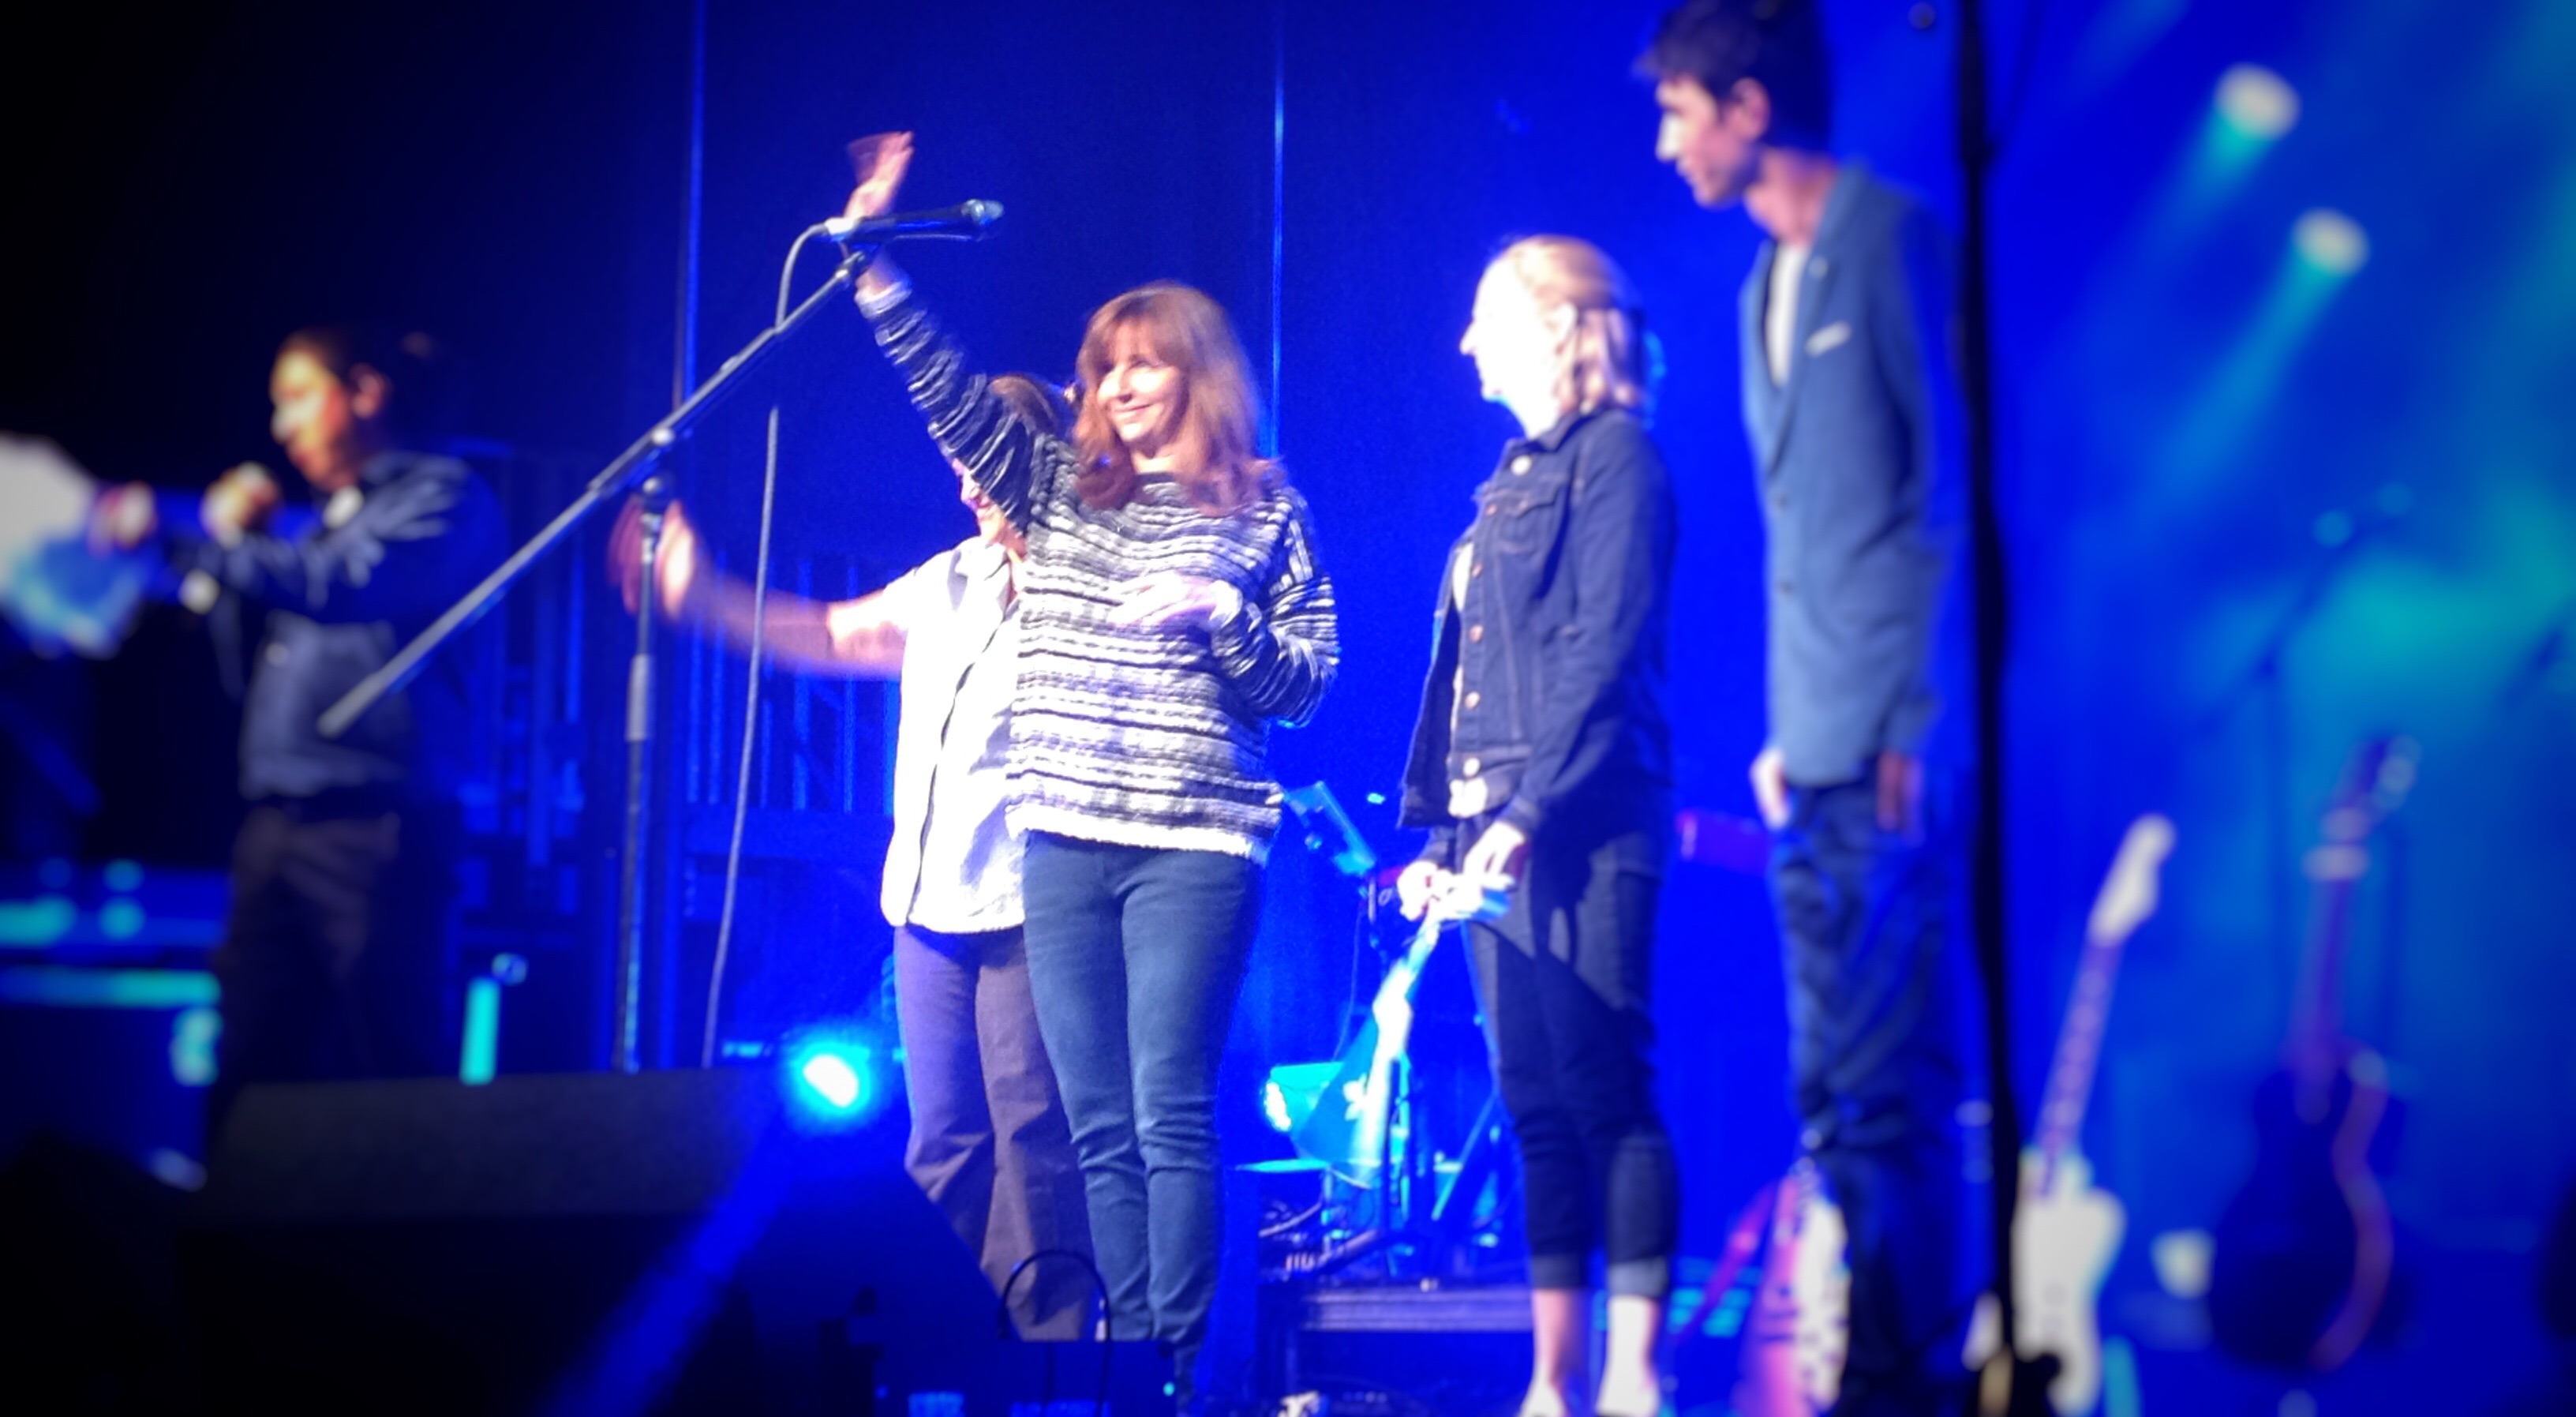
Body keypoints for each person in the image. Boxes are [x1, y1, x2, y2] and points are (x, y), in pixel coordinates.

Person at [841, 135, 1339, 1408]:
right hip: (1060, 844)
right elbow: (947, 391)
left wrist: (1220, 617)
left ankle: (1178, 1370)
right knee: (1095, 1119)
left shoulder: (1263, 506)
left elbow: (1306, 682)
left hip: (1193, 847)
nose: (1115, 384)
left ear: (1196, 374)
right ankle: (1122, 1368)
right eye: (1103, 365)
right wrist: (877, 266)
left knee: (1167, 1105)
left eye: (1142, 362)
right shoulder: (1062, 488)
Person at [1642, 2, 1977, 1411]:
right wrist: (1790, 729)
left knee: (1892, 1090)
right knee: (1829, 1095)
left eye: (1678, 112)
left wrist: (1919, 717)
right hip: (1813, 746)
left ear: (1747, 106)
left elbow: (1953, 491)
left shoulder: (1893, 239)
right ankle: (1881, 1373)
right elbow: (1804, 536)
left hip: (1894, 741)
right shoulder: (1755, 287)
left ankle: (1910, 1381)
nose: (1666, 145)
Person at [608, 374, 1092, 1340]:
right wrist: (700, 597)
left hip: (1033, 902)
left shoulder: (1091, 584)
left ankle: (1045, 1361)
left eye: (982, 464)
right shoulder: (948, 581)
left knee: (1034, 1137)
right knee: (941, 1141)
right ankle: (930, 1347)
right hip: (930, 904)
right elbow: (832, 633)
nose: (967, 486)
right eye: (957, 466)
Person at [1394, 236, 1679, 1417]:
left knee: (1607, 1088)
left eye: (1486, 316)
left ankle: (1637, 1375)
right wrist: (1434, 836)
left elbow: (1603, 651)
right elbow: (1457, 680)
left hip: (1585, 818)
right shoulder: (1499, 490)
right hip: (1484, 828)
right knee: (1535, 1106)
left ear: (1559, 327)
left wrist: (1528, 810)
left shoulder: (1618, 460)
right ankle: (1553, 1380)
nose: (1466, 341)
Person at [92, 327, 505, 1139]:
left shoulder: (443, 494)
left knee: (387, 1052)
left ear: (366, 392)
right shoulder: (320, 520)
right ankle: (239, 1215)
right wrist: (235, 548)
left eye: (298, 396)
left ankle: (405, 1218)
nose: (282, 426)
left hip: (376, 824)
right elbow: (246, 650)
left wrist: (189, 538)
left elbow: (348, 584)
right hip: (278, 817)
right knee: (252, 1061)